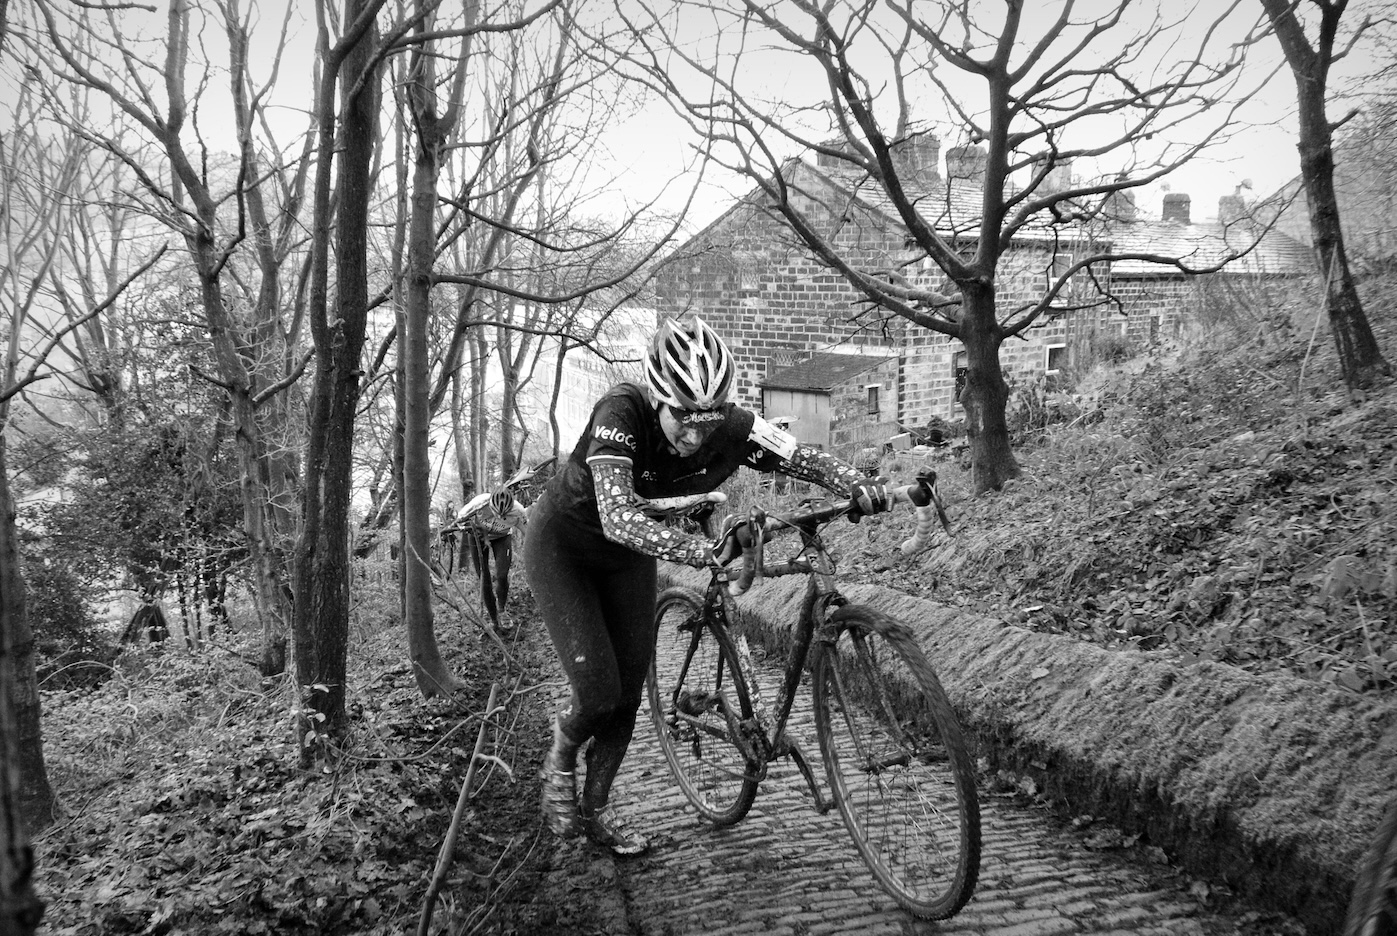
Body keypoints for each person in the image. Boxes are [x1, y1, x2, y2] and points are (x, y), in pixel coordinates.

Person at [523, 315, 892, 855]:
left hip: (629, 557)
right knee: (598, 691)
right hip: (565, 547)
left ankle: (596, 814)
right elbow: (618, 517)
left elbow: (799, 456)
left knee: (626, 697)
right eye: (682, 418)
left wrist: (858, 481)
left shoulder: (732, 425)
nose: (695, 435)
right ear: (658, 398)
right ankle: (562, 753)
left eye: (708, 420)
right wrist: (705, 551)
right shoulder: (620, 413)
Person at [453, 486, 527, 628]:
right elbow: (459, 520)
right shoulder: (479, 503)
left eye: (504, 515)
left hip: (502, 537)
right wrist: (467, 526)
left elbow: (529, 534)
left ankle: (502, 610)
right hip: (478, 537)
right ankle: (493, 619)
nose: (499, 517)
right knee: (484, 578)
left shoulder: (518, 511)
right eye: (495, 513)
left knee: (502, 575)